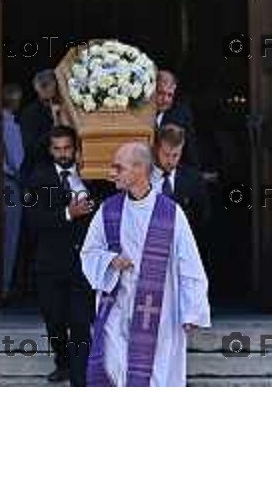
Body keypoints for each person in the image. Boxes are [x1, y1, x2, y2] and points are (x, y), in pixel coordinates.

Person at [81, 142, 211, 387]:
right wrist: (111, 261)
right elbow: (89, 252)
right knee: (113, 364)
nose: (111, 173)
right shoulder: (108, 210)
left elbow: (189, 263)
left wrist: (192, 308)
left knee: (156, 374)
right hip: (117, 303)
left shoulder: (170, 213)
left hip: (160, 309)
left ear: (139, 170)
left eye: (118, 168)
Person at [25, 125, 95, 385]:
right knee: (54, 320)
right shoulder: (37, 178)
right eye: (58, 149)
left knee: (79, 322)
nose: (63, 153)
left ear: (75, 149)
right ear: (50, 150)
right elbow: (32, 219)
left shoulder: (89, 175)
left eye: (67, 148)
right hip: (50, 262)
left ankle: (80, 377)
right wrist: (68, 213)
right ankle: (63, 362)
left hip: (82, 264)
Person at [152, 124, 211, 243]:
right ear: (156, 149)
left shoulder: (193, 179)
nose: (170, 161)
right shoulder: (143, 177)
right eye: (166, 154)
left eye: (175, 155)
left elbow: (202, 217)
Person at [2, 83, 25, 298]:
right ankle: (4, 288)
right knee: (10, 236)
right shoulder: (9, 125)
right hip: (8, 184)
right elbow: (18, 162)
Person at [20, 69, 63, 178]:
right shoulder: (29, 114)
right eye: (46, 99)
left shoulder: (65, 107)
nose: (51, 102)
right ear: (39, 91)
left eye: (53, 97)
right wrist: (55, 123)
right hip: (40, 172)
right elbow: (32, 149)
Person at [154, 70, 199, 168]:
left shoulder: (181, 116)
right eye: (161, 93)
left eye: (170, 95)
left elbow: (190, 150)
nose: (165, 100)